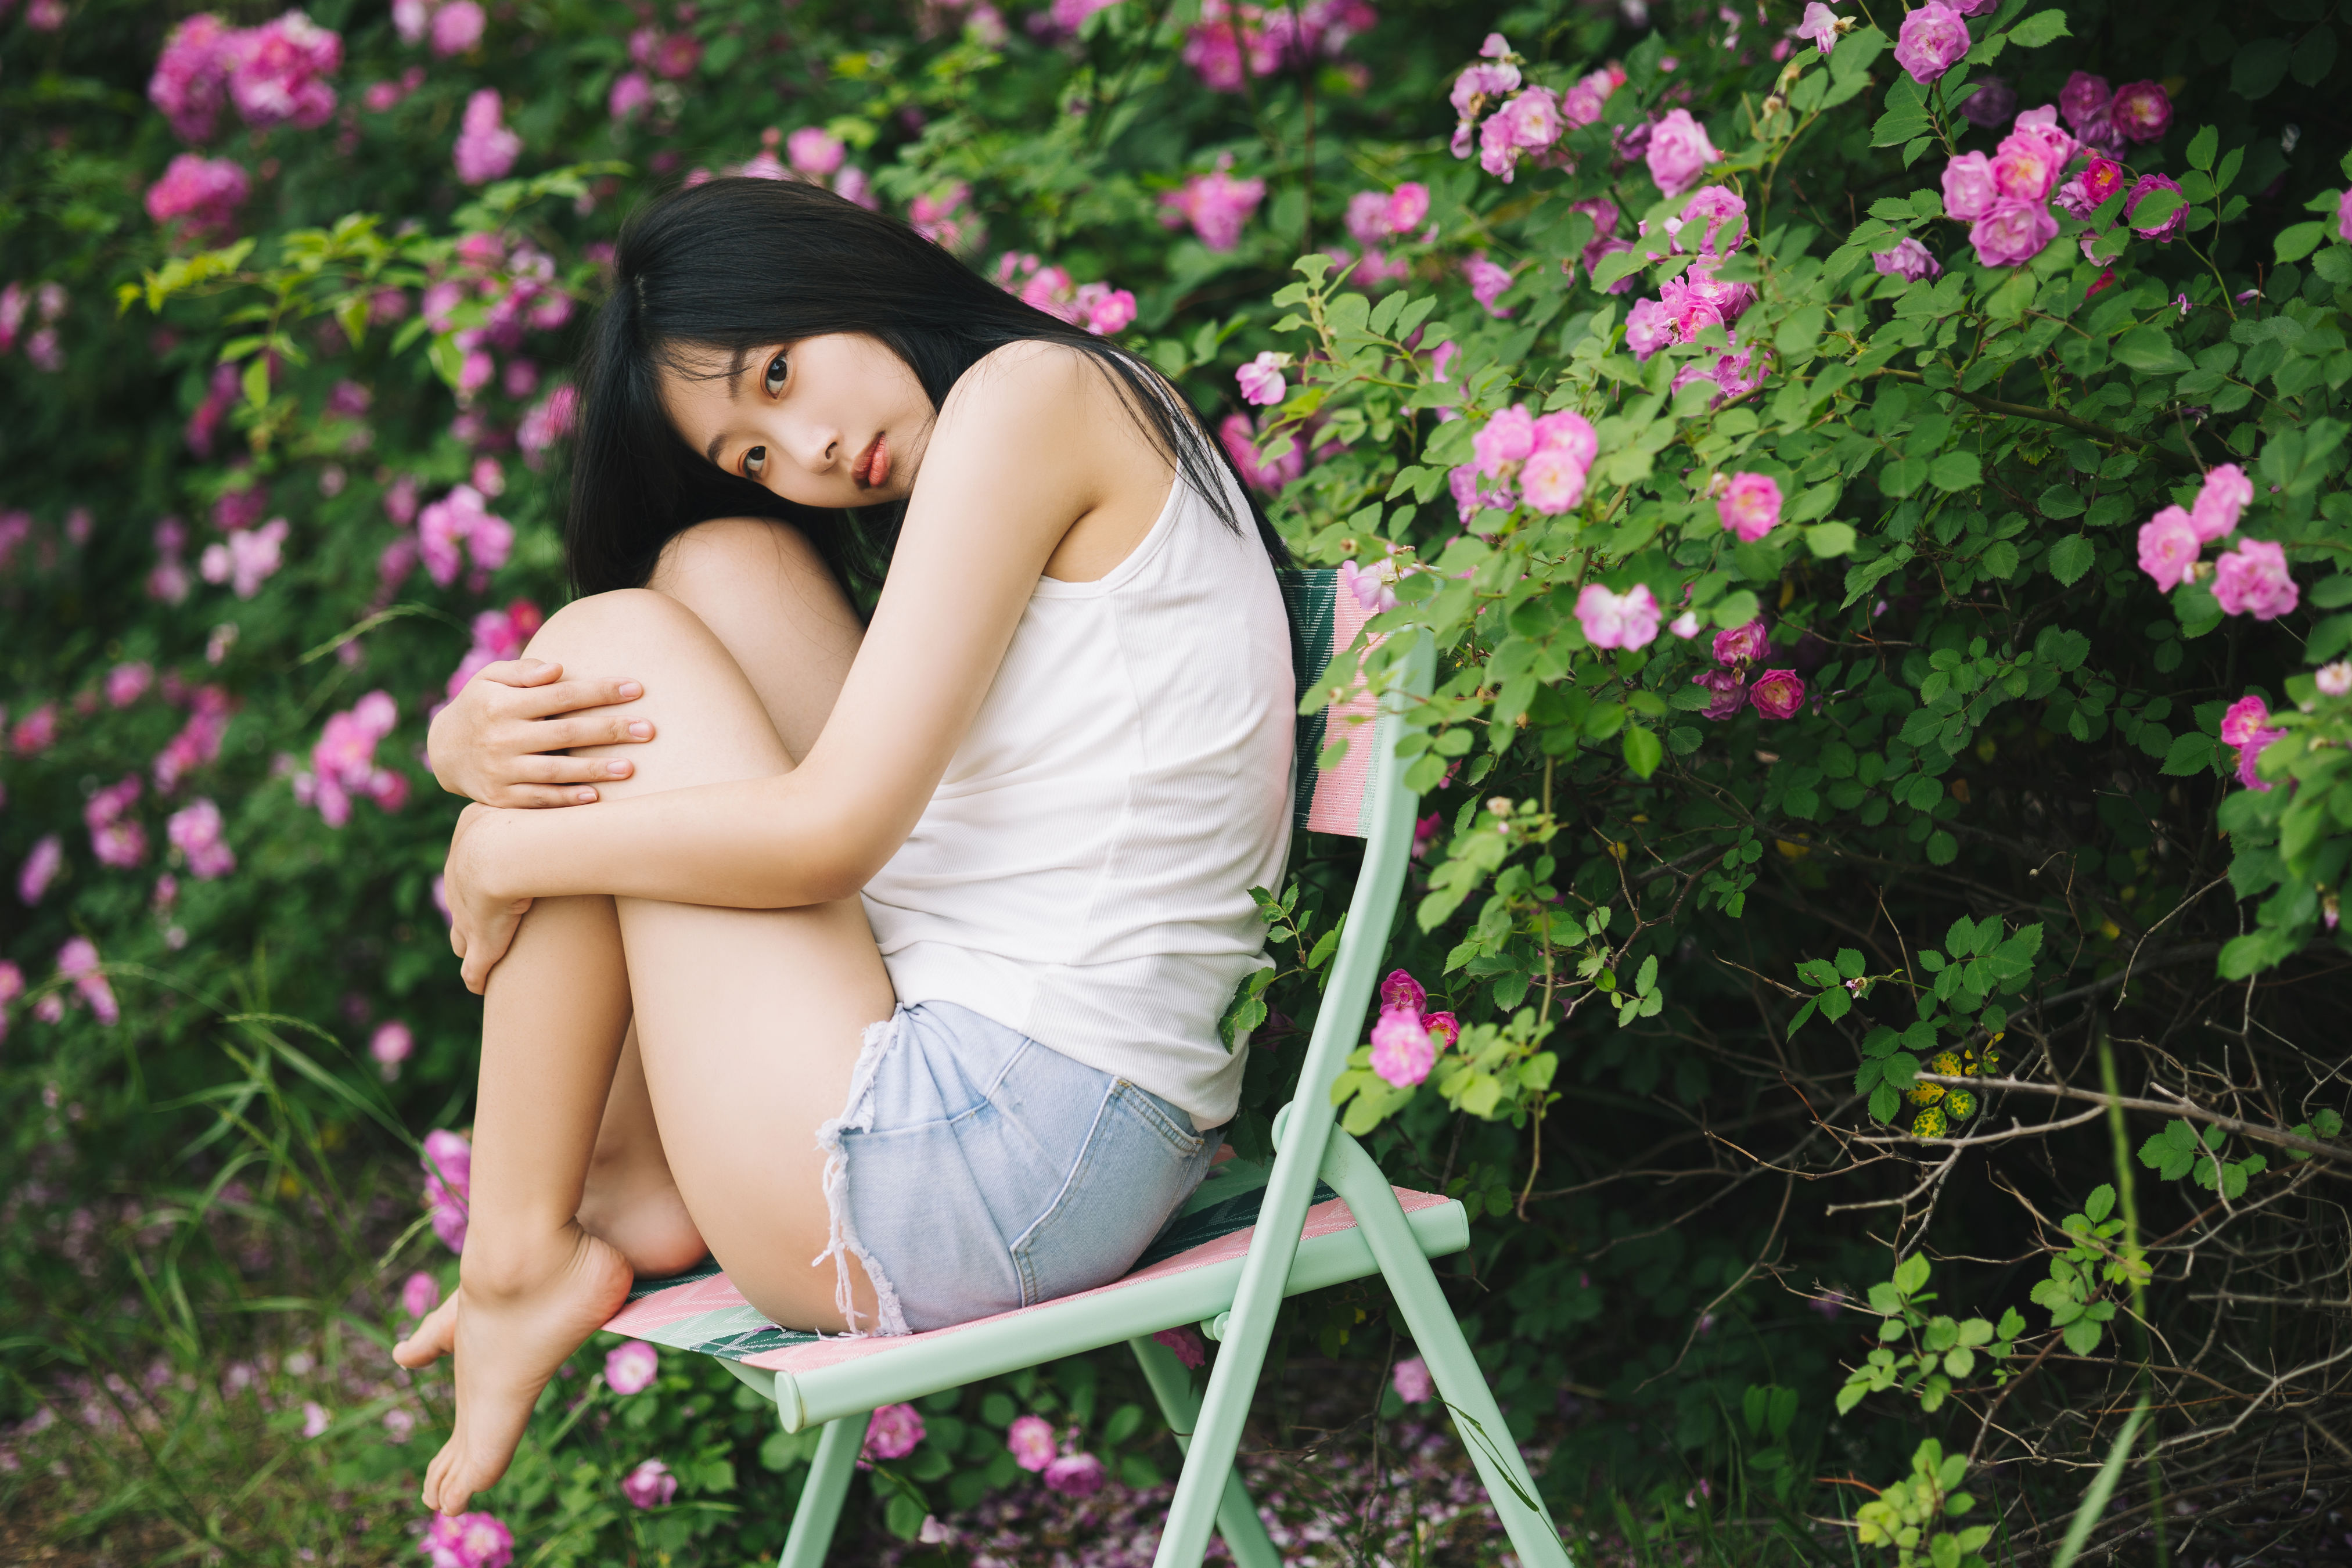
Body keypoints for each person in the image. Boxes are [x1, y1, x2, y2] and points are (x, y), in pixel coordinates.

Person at [389, 176, 1297, 1515]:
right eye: (753, 447)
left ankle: (519, 1256)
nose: (806, 451)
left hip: (1014, 1151)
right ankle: (630, 1182)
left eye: (778, 373)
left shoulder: (1032, 399)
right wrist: (464, 759)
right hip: (1038, 1111)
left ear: (840, 276)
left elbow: (828, 838)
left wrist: (510, 851)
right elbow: (825, 817)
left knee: (608, 652)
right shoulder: (1039, 406)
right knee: (709, 572)